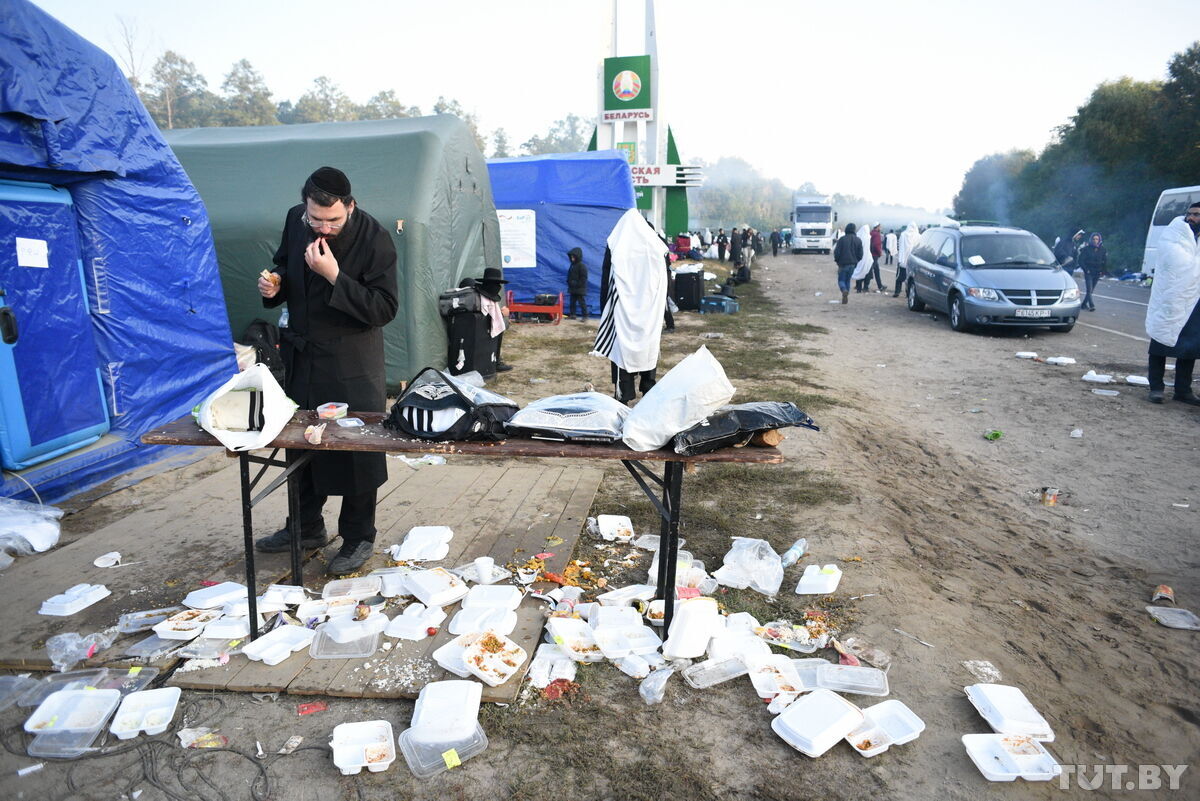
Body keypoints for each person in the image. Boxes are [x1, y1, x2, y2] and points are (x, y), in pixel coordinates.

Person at [255, 166, 398, 575]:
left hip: (352, 361)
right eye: (315, 219)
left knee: (355, 449)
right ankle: (305, 527)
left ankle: (357, 536)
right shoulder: (294, 219)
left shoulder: (376, 239)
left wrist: (334, 275)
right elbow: (282, 262)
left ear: (350, 206)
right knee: (301, 444)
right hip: (303, 355)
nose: (323, 227)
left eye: (333, 220)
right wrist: (275, 283)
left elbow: (384, 309)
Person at [1144, 201, 1200, 405]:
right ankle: (1156, 388)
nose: (1192, 218)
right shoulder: (1173, 234)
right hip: (1170, 299)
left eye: (1197, 215)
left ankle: (1183, 390)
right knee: (1160, 344)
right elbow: (1174, 261)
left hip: (1194, 302)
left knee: (1190, 348)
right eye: (1190, 214)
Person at [476, 267, 512, 371]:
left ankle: (496, 359)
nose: (497, 287)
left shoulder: (486, 297)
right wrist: (501, 314)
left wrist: (499, 314)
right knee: (499, 327)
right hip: (479, 332)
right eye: (495, 284)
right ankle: (495, 362)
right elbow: (483, 319)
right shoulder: (480, 297)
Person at [833, 222, 863, 304]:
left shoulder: (842, 239)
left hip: (842, 264)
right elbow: (861, 254)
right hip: (853, 264)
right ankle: (846, 295)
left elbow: (837, 252)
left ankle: (844, 290)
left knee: (841, 280)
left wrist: (837, 261)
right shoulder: (858, 240)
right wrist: (856, 261)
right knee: (848, 280)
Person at [1077, 232, 1107, 312]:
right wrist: (1086, 269)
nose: (1095, 240)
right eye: (1093, 239)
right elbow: (1081, 260)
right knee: (1089, 289)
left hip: (1097, 272)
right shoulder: (1086, 249)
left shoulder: (1103, 250)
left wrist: (1103, 271)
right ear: (1091, 239)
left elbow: (1105, 261)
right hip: (1089, 272)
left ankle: (1083, 305)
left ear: (1099, 240)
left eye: (1097, 239)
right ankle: (1091, 305)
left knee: (1091, 290)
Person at [894, 221, 920, 297]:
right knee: (910, 278)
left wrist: (900, 259)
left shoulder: (903, 235)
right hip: (913, 261)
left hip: (903, 260)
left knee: (899, 277)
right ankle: (908, 293)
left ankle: (897, 292)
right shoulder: (918, 236)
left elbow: (900, 247)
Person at [566, 247, 588, 320]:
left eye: (573, 257)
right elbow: (570, 275)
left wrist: (576, 284)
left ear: (577, 257)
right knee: (572, 302)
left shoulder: (582, 266)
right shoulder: (572, 265)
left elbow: (584, 278)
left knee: (582, 302)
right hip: (573, 288)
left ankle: (585, 316)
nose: (572, 258)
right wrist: (569, 282)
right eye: (571, 257)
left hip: (579, 288)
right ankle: (573, 315)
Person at [852, 222, 872, 292]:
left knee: (859, 270)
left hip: (860, 257)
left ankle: (858, 288)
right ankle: (866, 287)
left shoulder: (859, 236)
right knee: (867, 272)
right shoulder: (868, 237)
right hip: (867, 258)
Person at [868, 223, 885, 292]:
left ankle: (880, 286)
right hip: (875, 255)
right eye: (880, 226)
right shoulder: (877, 234)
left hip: (870, 254)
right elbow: (876, 245)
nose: (880, 227)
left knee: (876, 270)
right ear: (877, 227)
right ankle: (865, 286)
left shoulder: (871, 233)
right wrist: (880, 253)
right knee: (870, 270)